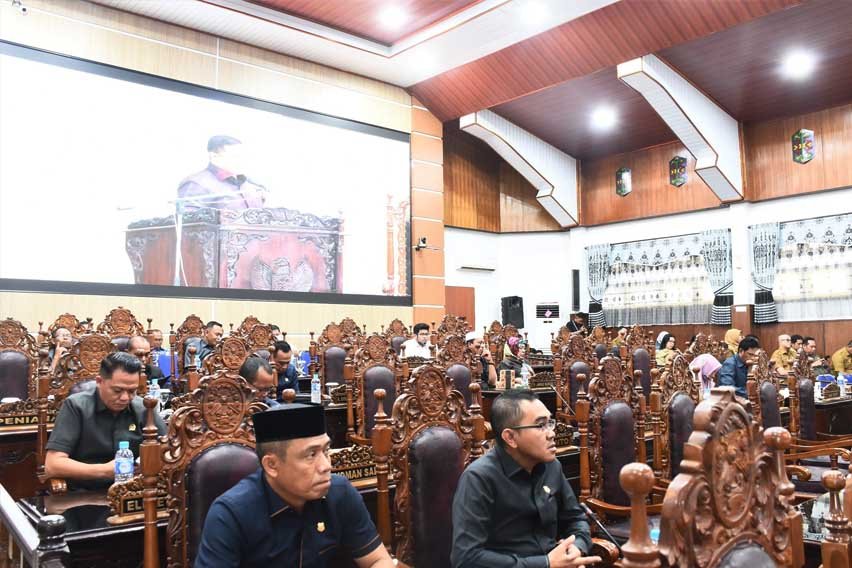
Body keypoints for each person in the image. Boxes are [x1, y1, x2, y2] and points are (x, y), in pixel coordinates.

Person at [195, 403, 394, 567]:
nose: (326, 466)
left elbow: (377, 559)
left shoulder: (339, 492)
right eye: (311, 455)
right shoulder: (230, 514)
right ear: (272, 465)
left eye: (326, 451)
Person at [451, 390, 599, 568]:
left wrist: (576, 548)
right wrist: (545, 564)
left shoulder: (552, 466)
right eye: (540, 426)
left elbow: (575, 519)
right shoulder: (479, 478)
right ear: (510, 437)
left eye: (550, 423)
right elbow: (466, 558)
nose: (551, 433)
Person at [44, 352, 167, 490]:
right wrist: (104, 471)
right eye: (117, 390)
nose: (125, 398)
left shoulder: (144, 407)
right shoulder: (76, 406)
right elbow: (52, 465)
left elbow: (169, 451)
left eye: (132, 391)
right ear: (99, 382)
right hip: (86, 494)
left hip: (134, 493)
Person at [177, 135, 267, 211]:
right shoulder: (196, 184)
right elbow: (189, 225)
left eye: (244, 156)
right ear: (214, 156)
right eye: (236, 156)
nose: (242, 160)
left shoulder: (251, 185)